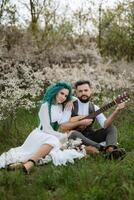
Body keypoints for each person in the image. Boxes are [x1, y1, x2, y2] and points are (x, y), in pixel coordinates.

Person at [0, 81, 85, 174]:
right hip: (40, 135)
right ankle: (30, 163)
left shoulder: (60, 106)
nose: (63, 97)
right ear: (55, 91)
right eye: (61, 93)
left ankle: (24, 163)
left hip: (51, 136)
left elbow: (62, 122)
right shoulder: (45, 106)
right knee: (54, 142)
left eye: (65, 95)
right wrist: (62, 135)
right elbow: (46, 129)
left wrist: (68, 104)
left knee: (52, 150)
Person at [60, 80, 126, 159]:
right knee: (74, 134)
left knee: (111, 128)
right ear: (76, 93)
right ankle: (102, 149)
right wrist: (80, 122)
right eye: (80, 91)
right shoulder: (70, 106)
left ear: (90, 91)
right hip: (75, 137)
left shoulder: (94, 107)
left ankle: (110, 151)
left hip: (90, 136)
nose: (83, 93)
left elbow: (105, 125)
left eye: (86, 90)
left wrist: (117, 111)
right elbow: (63, 127)